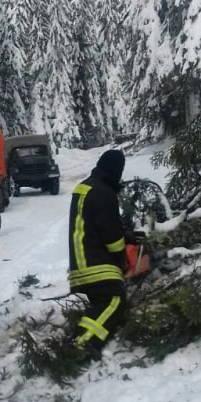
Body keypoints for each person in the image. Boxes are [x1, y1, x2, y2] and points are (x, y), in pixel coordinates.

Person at [68, 149, 127, 356]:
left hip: (81, 260)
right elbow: (112, 240)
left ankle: (81, 337)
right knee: (115, 300)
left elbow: (92, 225)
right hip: (95, 264)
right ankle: (82, 344)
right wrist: (123, 257)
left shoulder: (86, 187)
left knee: (101, 304)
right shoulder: (104, 192)